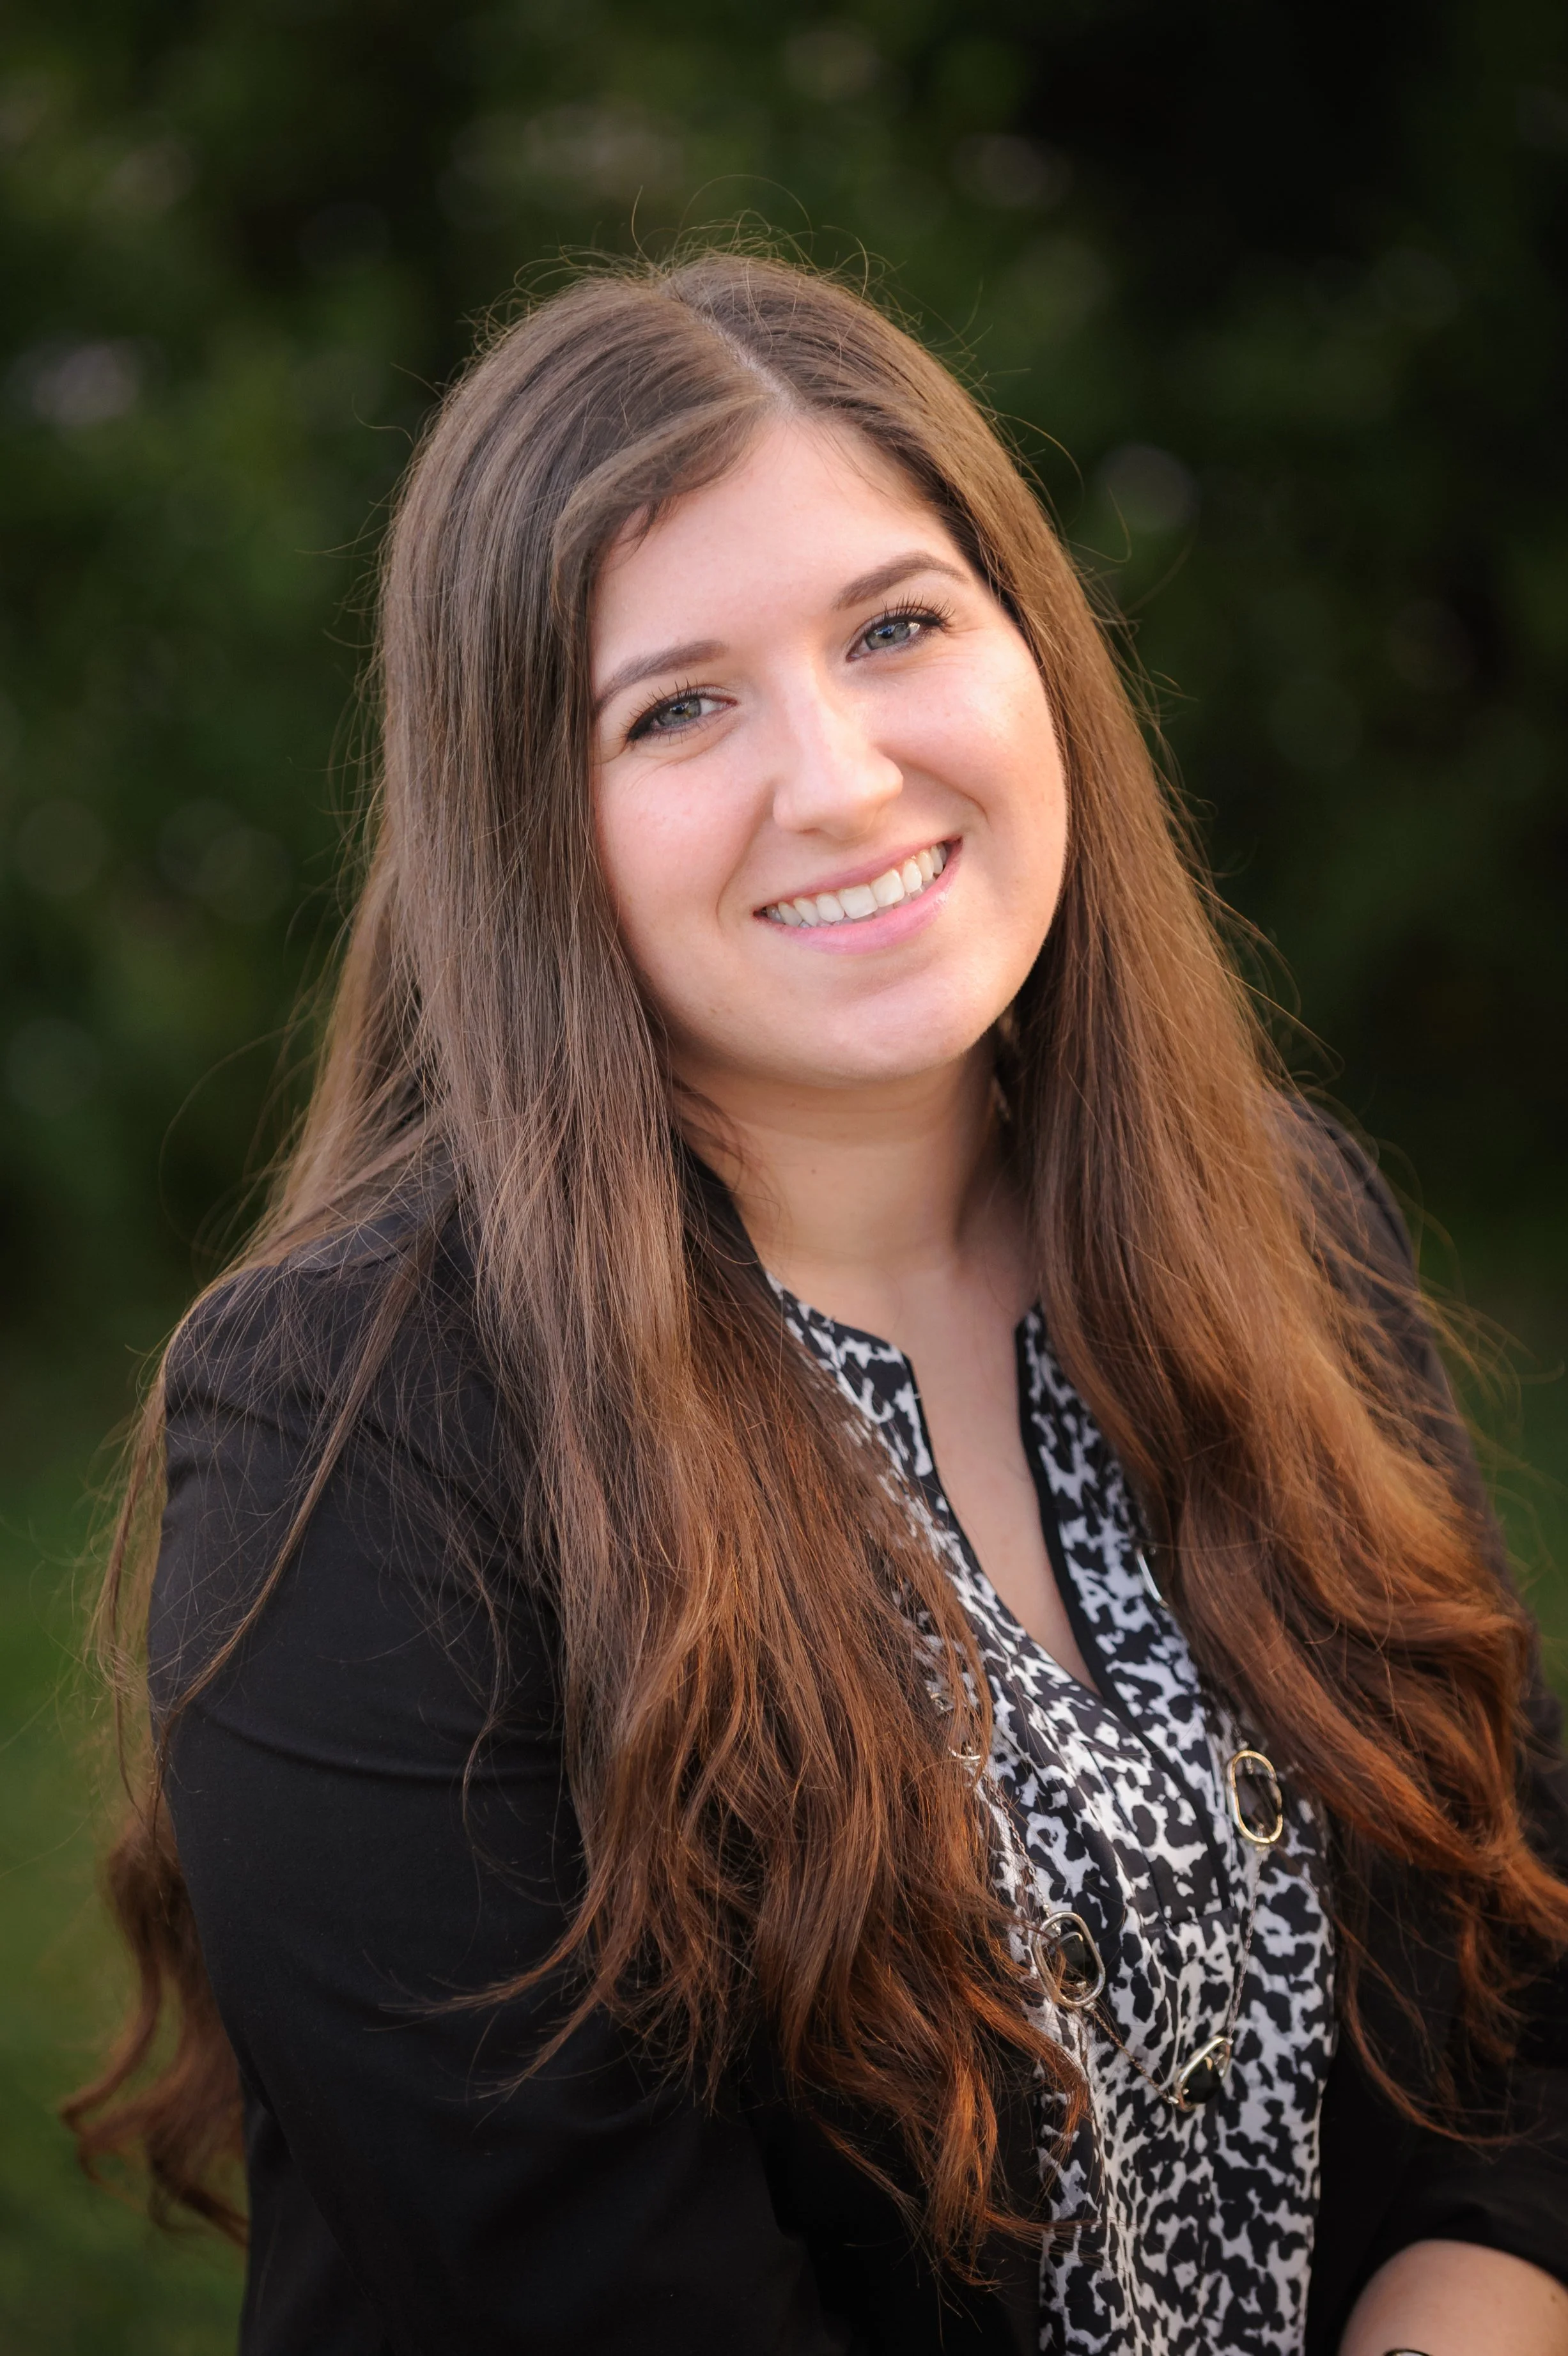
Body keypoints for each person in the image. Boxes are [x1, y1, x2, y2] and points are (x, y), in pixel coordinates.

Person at [67, 252, 1568, 2356]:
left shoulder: (1273, 1227)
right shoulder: (366, 1421)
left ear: (1036, 653)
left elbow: (1518, 1990)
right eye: (678, 705)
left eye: (896, 627)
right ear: (530, 827)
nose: (845, 777)